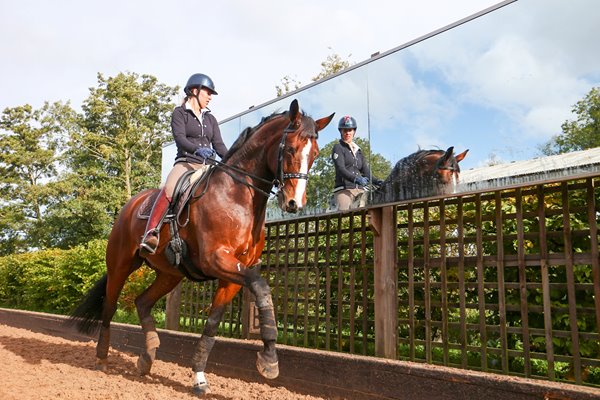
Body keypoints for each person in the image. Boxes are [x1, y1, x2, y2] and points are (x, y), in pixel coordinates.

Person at [139, 73, 228, 256]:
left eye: (211, 94)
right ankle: (151, 232)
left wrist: (230, 161)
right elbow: (179, 139)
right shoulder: (179, 113)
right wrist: (197, 149)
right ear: (194, 91)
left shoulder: (210, 119)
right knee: (170, 188)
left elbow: (218, 144)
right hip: (186, 163)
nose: (210, 97)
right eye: (208, 93)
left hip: (208, 166)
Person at [331, 115, 383, 210]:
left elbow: (366, 172)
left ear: (354, 131)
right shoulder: (338, 148)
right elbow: (341, 168)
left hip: (360, 190)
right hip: (344, 190)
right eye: (345, 130)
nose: (347, 132)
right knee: (345, 212)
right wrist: (355, 179)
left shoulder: (359, 151)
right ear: (341, 131)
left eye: (350, 130)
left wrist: (377, 181)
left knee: (373, 207)